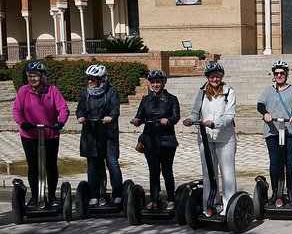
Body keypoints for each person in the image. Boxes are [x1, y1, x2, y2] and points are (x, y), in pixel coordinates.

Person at [12, 61, 70, 208]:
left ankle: (51, 196)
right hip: (29, 135)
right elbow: (16, 110)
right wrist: (22, 122)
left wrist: (60, 122)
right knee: (33, 167)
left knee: (50, 166)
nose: (33, 79)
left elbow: (63, 109)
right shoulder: (23, 91)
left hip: (50, 134)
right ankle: (34, 196)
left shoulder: (52, 91)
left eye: (36, 76)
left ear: (42, 77)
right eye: (30, 76)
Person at [183, 62, 237, 214]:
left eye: (217, 76)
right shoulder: (201, 92)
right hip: (205, 138)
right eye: (212, 76)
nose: (215, 79)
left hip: (225, 139)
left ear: (221, 76)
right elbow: (195, 112)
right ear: (207, 78)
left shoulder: (228, 92)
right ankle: (210, 205)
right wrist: (189, 119)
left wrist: (215, 123)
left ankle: (229, 208)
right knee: (208, 173)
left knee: (227, 174)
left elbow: (229, 115)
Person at [130, 70, 181, 210]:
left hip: (167, 140)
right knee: (153, 170)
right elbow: (139, 115)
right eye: (153, 82)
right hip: (150, 139)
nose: (155, 85)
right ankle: (154, 199)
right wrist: (137, 120)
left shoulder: (172, 99)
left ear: (164, 82)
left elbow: (176, 116)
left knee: (166, 170)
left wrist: (168, 120)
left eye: (158, 82)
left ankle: (171, 198)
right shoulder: (146, 99)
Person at [257, 60, 292, 205]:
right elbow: (260, 105)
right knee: (274, 162)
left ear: (286, 74)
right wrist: (265, 113)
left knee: (289, 162)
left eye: (281, 73)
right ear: (273, 75)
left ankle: (290, 193)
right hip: (272, 130)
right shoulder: (268, 90)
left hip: (288, 129)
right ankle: (275, 192)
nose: (279, 75)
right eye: (276, 73)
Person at [76, 64, 123, 206]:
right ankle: (94, 195)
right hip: (90, 134)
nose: (90, 82)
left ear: (102, 80)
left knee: (112, 163)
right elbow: (80, 108)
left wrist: (111, 117)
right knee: (92, 166)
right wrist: (81, 116)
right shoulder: (85, 93)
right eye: (89, 79)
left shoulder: (111, 92)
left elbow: (115, 109)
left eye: (93, 79)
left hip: (108, 134)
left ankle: (118, 193)